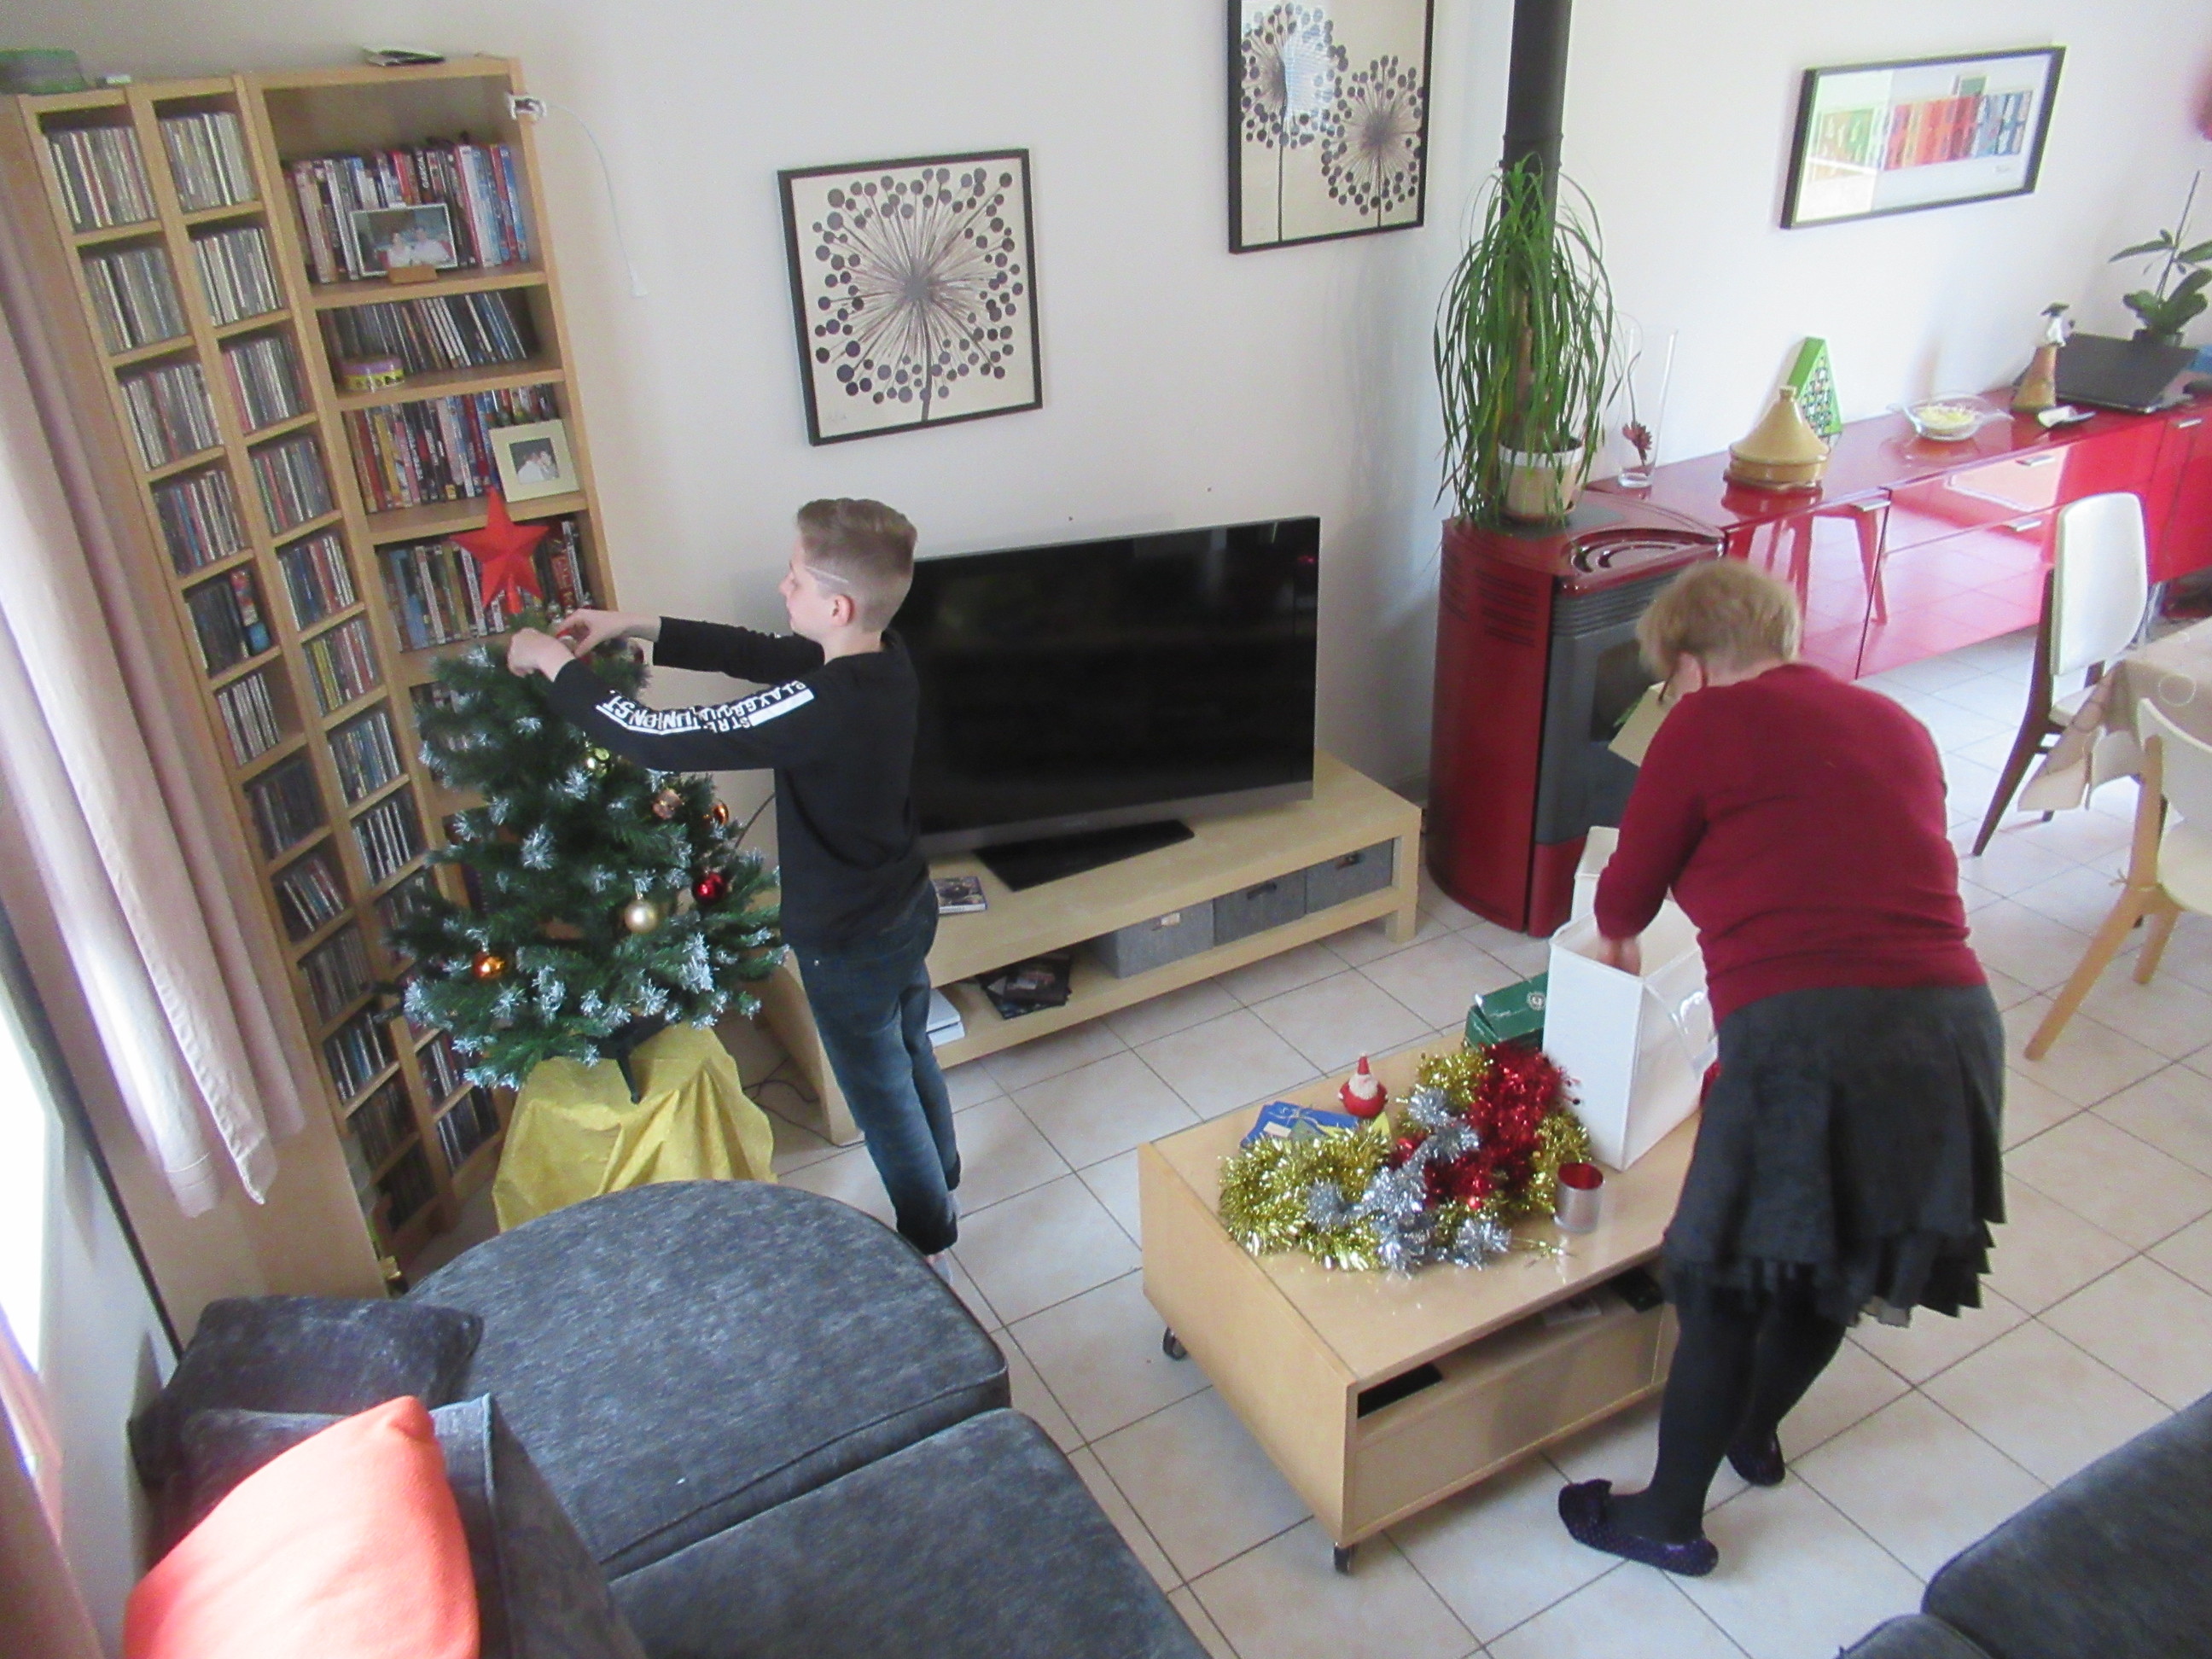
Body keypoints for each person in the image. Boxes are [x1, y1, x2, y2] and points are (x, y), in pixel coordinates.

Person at [1556, 559, 2002, 1577]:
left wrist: (1616, 937)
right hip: (1954, 1030)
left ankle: (1668, 1518)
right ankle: (1752, 1432)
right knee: (1831, 1260)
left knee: (1721, 1280)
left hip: (1808, 1037)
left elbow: (1625, 891)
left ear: (1689, 667)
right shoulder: (1897, 724)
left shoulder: (1706, 723)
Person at [504, 498, 961, 1263]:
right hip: (905, 907)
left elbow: (654, 737)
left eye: (795, 579)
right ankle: (945, 1177)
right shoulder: (883, 657)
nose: (784, 588)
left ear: (837, 606)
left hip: (848, 940)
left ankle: (929, 1237)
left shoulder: (823, 703)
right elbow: (752, 651)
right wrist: (633, 623)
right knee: (910, 1050)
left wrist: (555, 666)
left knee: (881, 1094)